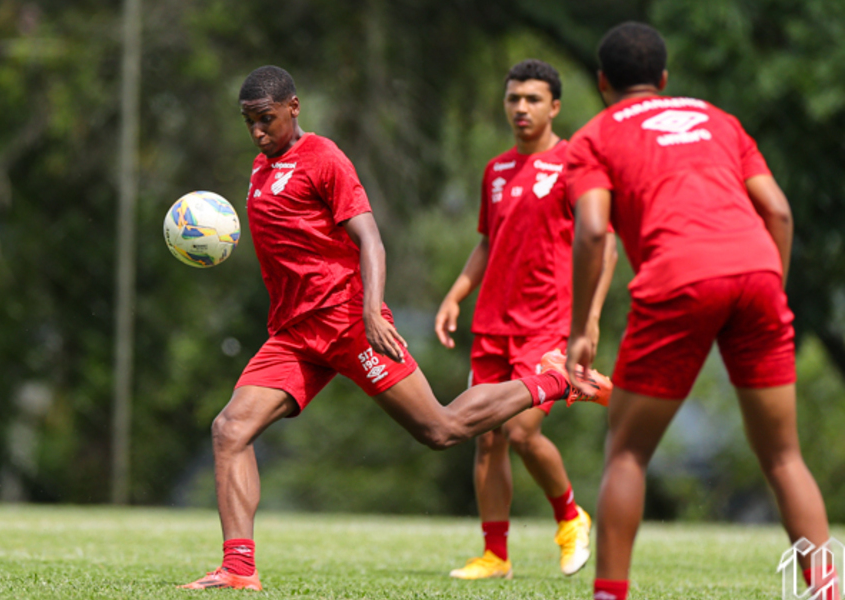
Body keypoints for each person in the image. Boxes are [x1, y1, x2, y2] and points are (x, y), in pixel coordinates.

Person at [180, 65, 612, 591]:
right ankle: (238, 569)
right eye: (248, 121)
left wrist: (371, 309)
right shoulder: (260, 169)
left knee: (441, 429)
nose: (257, 131)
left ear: (294, 107)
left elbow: (371, 240)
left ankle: (555, 381)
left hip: (347, 322)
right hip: (294, 334)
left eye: (265, 119)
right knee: (229, 430)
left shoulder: (324, 158)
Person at [564, 22, 834, 600]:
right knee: (784, 455)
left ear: (603, 82)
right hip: (759, 272)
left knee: (628, 451)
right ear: (663, 80)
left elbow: (591, 232)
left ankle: (610, 593)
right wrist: (769, 289)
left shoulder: (593, 137)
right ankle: (828, 590)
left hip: (679, 277)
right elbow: (779, 213)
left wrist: (579, 330)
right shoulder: (720, 120)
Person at [435, 59, 617, 580]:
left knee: (519, 430)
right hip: (492, 324)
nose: (521, 108)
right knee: (486, 438)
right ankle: (496, 556)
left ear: (555, 106)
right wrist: (456, 295)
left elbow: (604, 247)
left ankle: (569, 517)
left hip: (548, 325)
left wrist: (593, 317)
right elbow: (488, 244)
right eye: (513, 98)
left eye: (533, 99)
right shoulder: (494, 170)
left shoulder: (574, 165)